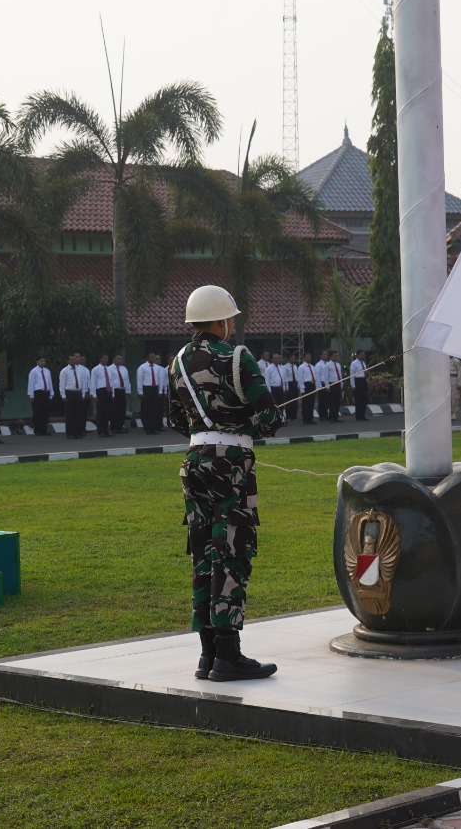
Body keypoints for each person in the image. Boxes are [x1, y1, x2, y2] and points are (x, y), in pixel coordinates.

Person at [168, 284, 283, 682]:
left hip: (193, 461)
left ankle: (207, 654)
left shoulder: (177, 361)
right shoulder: (238, 357)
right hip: (229, 465)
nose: (232, 325)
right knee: (232, 551)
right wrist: (241, 425)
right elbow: (269, 419)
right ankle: (229, 656)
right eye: (230, 319)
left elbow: (176, 421)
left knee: (202, 557)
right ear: (221, 320)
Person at [27, 356, 55, 436]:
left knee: (45, 412)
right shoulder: (33, 371)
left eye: (44, 361)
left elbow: (50, 382)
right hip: (37, 393)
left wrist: (51, 393)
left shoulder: (47, 371)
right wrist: (31, 395)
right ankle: (37, 430)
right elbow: (31, 383)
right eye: (41, 361)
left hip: (46, 392)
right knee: (37, 412)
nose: (43, 362)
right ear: (37, 362)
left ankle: (44, 430)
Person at [60, 352, 85, 439]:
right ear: (68, 361)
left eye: (75, 359)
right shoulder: (64, 371)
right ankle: (70, 433)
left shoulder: (79, 370)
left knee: (77, 413)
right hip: (69, 393)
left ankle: (77, 432)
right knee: (69, 414)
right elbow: (62, 384)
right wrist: (63, 395)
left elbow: (82, 382)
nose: (74, 361)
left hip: (78, 392)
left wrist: (83, 394)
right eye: (72, 359)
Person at [137, 353, 163, 434]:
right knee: (146, 409)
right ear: (147, 358)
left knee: (154, 409)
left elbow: (159, 379)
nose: (153, 358)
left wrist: (160, 390)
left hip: (155, 388)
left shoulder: (157, 368)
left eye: (154, 357)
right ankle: (147, 428)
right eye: (151, 357)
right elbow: (139, 380)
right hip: (146, 388)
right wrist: (140, 391)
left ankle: (153, 427)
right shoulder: (142, 367)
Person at [91, 353, 114, 437]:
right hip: (100, 391)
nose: (106, 360)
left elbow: (111, 382)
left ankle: (107, 430)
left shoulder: (109, 369)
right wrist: (94, 395)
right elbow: (93, 382)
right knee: (101, 412)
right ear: (100, 359)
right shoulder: (95, 369)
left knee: (108, 412)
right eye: (104, 358)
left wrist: (113, 393)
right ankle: (101, 431)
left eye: (107, 358)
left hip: (108, 391)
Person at [295, 352, 317, 425]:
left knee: (311, 403)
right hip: (306, 385)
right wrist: (302, 389)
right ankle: (305, 419)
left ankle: (310, 418)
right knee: (306, 403)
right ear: (304, 358)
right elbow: (300, 379)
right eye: (307, 356)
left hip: (312, 385)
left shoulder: (312, 367)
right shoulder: (301, 367)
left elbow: (315, 377)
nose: (309, 358)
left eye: (310, 356)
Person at [111, 354, 131, 433]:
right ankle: (114, 427)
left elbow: (127, 381)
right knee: (114, 410)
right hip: (115, 391)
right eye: (118, 358)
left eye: (121, 359)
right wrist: (112, 394)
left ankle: (120, 426)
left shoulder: (124, 369)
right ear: (113, 359)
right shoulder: (110, 369)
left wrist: (128, 392)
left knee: (122, 410)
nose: (119, 360)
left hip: (122, 390)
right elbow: (110, 382)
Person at [350, 350, 369, 420]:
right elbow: (352, 375)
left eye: (363, 355)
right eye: (361, 355)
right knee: (358, 399)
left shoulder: (363, 363)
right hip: (357, 381)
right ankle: (358, 416)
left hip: (363, 381)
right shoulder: (354, 363)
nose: (363, 356)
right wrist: (353, 385)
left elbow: (365, 371)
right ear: (357, 355)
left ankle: (363, 415)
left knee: (364, 398)